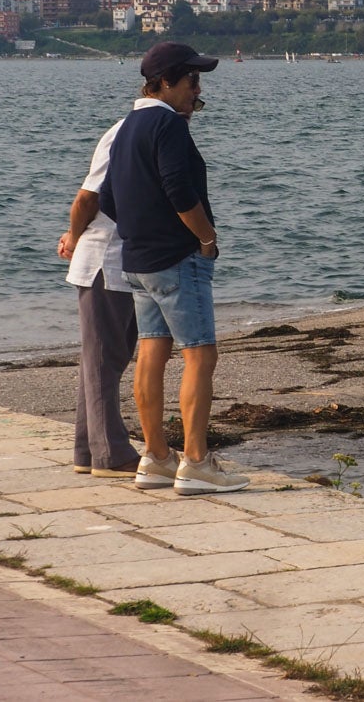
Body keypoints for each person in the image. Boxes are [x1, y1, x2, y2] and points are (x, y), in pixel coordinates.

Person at [100, 41, 248, 496]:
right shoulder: (167, 125)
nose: (197, 89)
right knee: (200, 354)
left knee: (150, 351)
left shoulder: (126, 126)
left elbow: (107, 199)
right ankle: (198, 462)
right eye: (192, 81)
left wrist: (142, 226)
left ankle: (156, 458)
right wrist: (206, 238)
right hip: (177, 257)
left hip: (138, 258)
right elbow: (180, 191)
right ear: (164, 82)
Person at [57, 120, 140, 478]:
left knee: (103, 360)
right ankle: (111, 453)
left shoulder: (143, 130)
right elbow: (86, 198)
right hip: (104, 260)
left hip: (122, 261)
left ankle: (87, 450)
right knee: (104, 359)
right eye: (191, 86)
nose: (196, 98)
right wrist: (74, 238)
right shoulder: (125, 132)